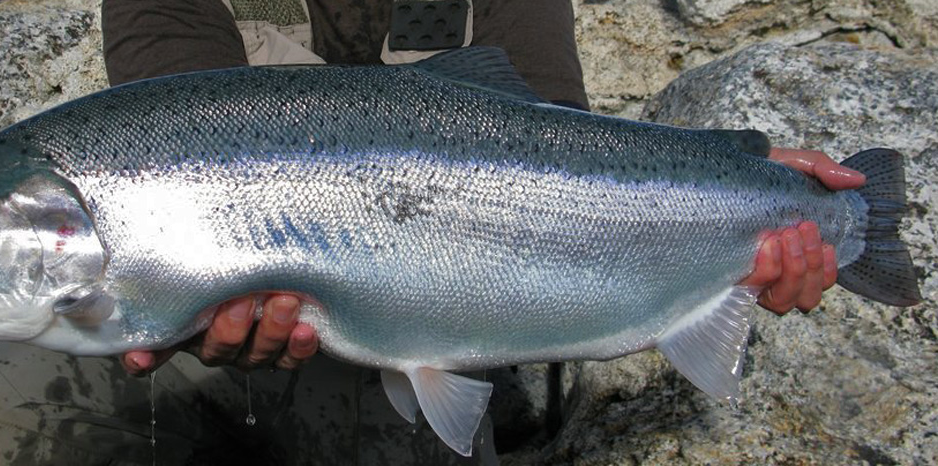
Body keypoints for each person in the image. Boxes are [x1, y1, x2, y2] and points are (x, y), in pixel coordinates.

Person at [97, 1, 867, 463]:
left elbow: (563, 151)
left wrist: (747, 174)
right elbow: (165, 148)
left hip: (457, 332)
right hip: (190, 348)